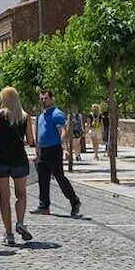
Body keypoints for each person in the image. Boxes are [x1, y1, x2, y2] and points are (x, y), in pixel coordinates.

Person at [0, 86, 35, 246]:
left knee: (4, 198)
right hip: (19, 159)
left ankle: (9, 233)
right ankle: (20, 222)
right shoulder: (25, 117)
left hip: (1, 160)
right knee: (21, 194)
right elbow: (31, 141)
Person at [32, 89, 81, 217]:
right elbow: (39, 135)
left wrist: (65, 148)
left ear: (51, 99)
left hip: (54, 149)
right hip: (43, 151)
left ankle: (74, 201)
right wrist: (37, 153)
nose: (43, 100)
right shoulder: (41, 115)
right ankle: (44, 206)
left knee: (59, 177)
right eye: (41, 98)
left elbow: (63, 131)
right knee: (43, 179)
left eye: (46, 98)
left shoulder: (57, 114)